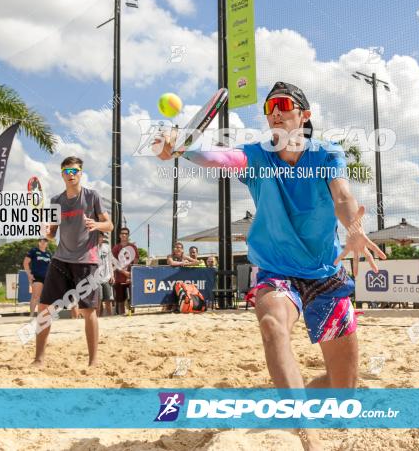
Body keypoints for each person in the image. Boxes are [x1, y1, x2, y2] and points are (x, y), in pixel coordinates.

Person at [154, 81, 386, 451]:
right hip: (276, 270)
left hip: (326, 274)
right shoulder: (257, 155)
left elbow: (342, 195)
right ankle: (305, 434)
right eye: (269, 107)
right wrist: (183, 147)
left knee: (344, 395)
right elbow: (220, 158)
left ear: (304, 116)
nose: (274, 111)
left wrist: (354, 228)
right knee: (271, 323)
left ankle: (292, 407)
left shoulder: (326, 154)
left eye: (283, 104)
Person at [34, 156, 113, 367]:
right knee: (45, 309)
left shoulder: (92, 196)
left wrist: (96, 225)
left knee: (89, 312)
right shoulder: (55, 201)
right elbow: (52, 235)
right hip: (61, 259)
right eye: (67, 171)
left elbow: (110, 225)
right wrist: (47, 231)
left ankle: (93, 361)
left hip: (87, 260)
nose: (71, 175)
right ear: (62, 174)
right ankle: (39, 358)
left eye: (75, 171)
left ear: (81, 173)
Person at [111, 227, 139, 315]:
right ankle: (121, 316)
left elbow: (136, 260)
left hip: (131, 277)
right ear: (119, 235)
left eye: (126, 233)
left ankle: (132, 315)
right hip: (119, 277)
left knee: (133, 299)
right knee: (120, 300)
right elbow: (114, 263)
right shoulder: (116, 248)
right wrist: (124, 272)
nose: (124, 235)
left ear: (128, 235)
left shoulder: (133, 247)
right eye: (122, 233)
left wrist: (131, 274)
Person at [23, 237, 52, 315]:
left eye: (45, 241)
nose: (43, 242)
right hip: (37, 276)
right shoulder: (34, 251)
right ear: (38, 242)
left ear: (47, 243)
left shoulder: (49, 254)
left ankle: (41, 314)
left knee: (44, 298)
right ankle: (31, 315)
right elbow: (25, 263)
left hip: (46, 278)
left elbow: (51, 267)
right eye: (41, 241)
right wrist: (29, 274)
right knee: (35, 296)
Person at [97, 234, 114, 317]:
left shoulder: (107, 247)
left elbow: (110, 262)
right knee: (98, 300)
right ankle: (98, 319)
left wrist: (112, 275)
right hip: (96, 279)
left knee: (108, 300)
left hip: (106, 277)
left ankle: (110, 317)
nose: (99, 238)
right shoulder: (92, 248)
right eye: (98, 236)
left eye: (101, 236)